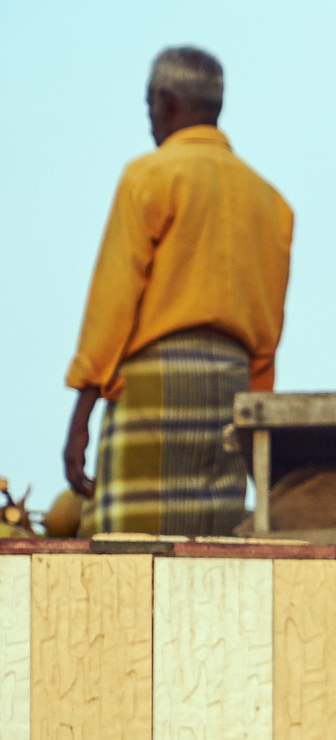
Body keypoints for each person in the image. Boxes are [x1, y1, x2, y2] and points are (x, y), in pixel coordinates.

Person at [65, 46, 294, 536]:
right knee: (210, 562)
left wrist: (81, 416)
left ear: (166, 103)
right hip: (230, 395)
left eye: (149, 105)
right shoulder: (271, 201)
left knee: (129, 557)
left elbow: (114, 298)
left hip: (154, 388)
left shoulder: (148, 175)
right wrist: (256, 420)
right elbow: (268, 331)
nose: (149, 118)